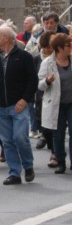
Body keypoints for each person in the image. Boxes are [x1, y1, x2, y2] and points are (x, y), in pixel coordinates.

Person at [0, 25, 39, 185]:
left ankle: (28, 166)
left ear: (8, 38)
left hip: (18, 105)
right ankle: (14, 172)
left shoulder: (24, 57)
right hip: (0, 107)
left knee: (20, 137)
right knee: (7, 140)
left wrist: (25, 99)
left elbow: (32, 80)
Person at [38, 33, 72, 174]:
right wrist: (47, 81)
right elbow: (39, 85)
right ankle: (60, 162)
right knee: (58, 135)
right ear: (59, 48)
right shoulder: (47, 63)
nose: (70, 47)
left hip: (71, 103)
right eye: (68, 45)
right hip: (56, 105)